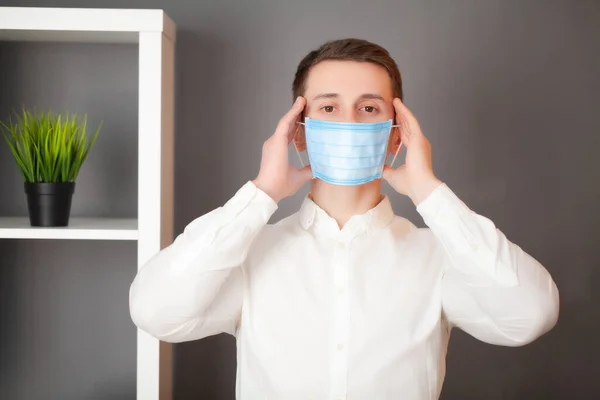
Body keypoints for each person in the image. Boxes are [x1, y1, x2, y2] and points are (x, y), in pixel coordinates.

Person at [129, 38, 559, 399]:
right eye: (329, 108)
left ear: (396, 133)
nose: (349, 121)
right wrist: (262, 193)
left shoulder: (440, 257)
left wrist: (429, 192)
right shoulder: (246, 253)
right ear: (298, 130)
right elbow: (154, 311)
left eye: (369, 108)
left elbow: (531, 315)